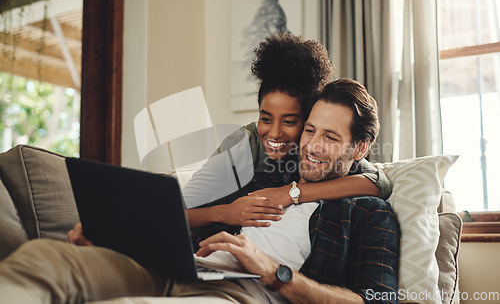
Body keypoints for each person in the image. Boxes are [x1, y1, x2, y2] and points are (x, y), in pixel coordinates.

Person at [0, 78, 400, 303]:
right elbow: (184, 220)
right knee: (46, 257)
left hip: (244, 295)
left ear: (360, 147)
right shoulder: (266, 175)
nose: (311, 145)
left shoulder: (368, 213)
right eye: (309, 130)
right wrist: (115, 237)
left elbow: (375, 301)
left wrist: (272, 271)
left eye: (329, 136)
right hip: (184, 269)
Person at [182, 33, 392, 230]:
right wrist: (226, 213)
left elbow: (378, 184)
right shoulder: (243, 144)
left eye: (289, 122)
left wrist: (291, 193)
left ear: (308, 119)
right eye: (265, 119)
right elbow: (177, 211)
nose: (274, 133)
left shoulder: (317, 150)